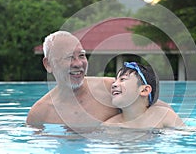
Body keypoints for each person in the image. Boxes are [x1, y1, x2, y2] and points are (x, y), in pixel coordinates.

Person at [26, 31, 172, 128]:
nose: (78, 63)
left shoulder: (110, 89)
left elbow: (157, 108)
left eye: (82, 56)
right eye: (69, 57)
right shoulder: (40, 113)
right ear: (48, 64)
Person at [103, 62, 185, 129]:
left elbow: (186, 135)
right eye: (115, 81)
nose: (114, 84)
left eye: (122, 79)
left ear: (144, 90)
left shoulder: (164, 116)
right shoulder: (110, 126)